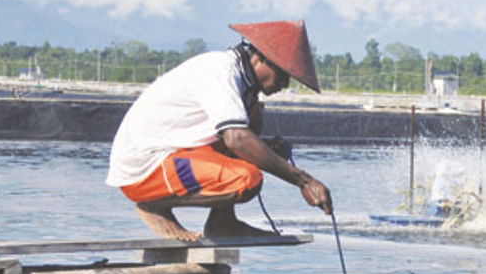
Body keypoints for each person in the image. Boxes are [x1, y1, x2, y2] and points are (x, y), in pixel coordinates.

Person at [106, 20, 332, 241]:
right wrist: (304, 181)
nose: (284, 84)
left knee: (256, 127)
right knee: (247, 180)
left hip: (175, 153)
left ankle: (222, 222)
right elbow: (236, 140)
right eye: (283, 75)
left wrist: (268, 151)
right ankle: (154, 206)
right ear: (261, 57)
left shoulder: (243, 85)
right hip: (145, 167)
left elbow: (242, 139)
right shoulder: (221, 72)